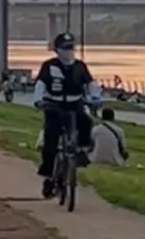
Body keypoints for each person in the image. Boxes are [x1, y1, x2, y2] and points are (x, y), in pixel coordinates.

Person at [34, 33, 100, 198]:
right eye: (65, 48)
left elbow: (90, 84)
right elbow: (40, 84)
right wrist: (38, 100)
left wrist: (95, 98)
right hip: (54, 105)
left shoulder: (80, 66)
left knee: (85, 122)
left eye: (71, 48)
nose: (69, 52)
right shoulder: (49, 66)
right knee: (51, 138)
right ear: (57, 50)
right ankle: (49, 175)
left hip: (74, 103)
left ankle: (82, 151)